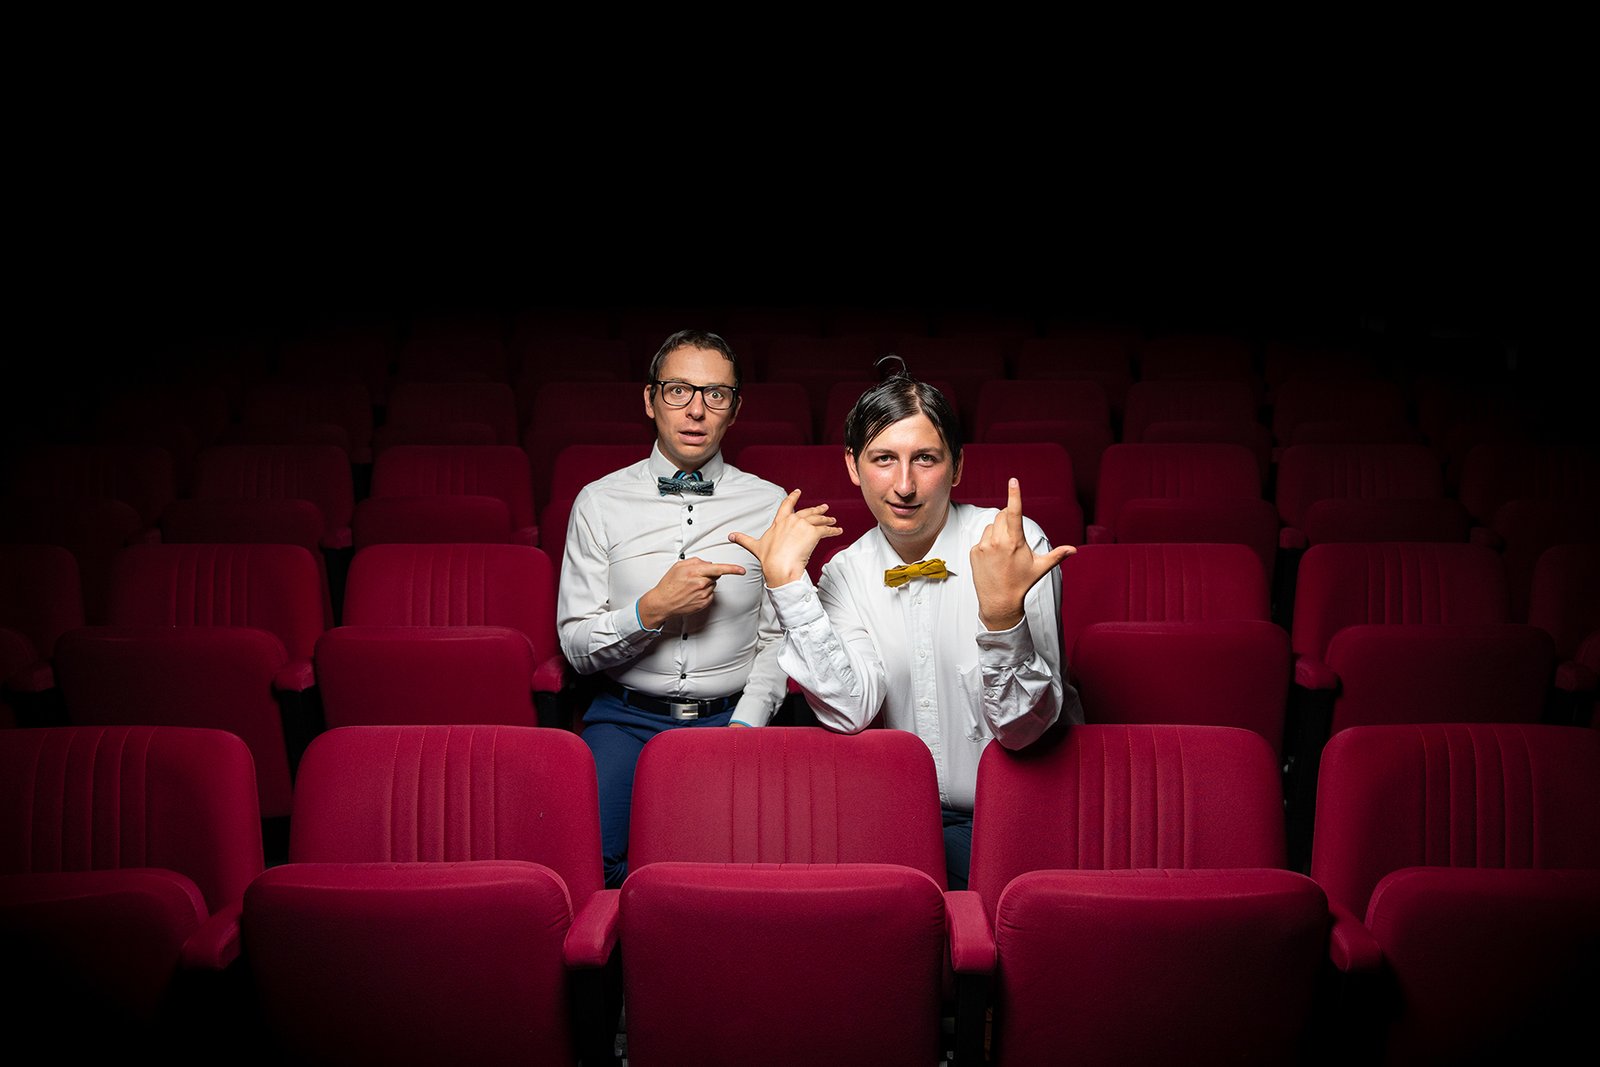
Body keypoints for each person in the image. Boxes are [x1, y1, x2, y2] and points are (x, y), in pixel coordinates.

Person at [728, 369, 1083, 889]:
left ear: (957, 466)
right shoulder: (845, 573)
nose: (904, 486)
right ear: (853, 466)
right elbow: (851, 711)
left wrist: (1003, 621)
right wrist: (788, 587)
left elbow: (1025, 730)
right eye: (883, 459)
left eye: (926, 458)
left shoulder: (1011, 544)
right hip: (893, 824)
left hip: (1018, 815)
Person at [558, 329, 788, 888]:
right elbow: (575, 646)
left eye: (715, 395)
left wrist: (746, 725)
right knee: (593, 866)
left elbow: (779, 639)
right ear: (650, 399)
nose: (695, 410)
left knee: (724, 872)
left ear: (734, 409)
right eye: (678, 390)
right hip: (624, 720)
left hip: (729, 719)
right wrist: (650, 610)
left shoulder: (771, 502)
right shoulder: (598, 501)